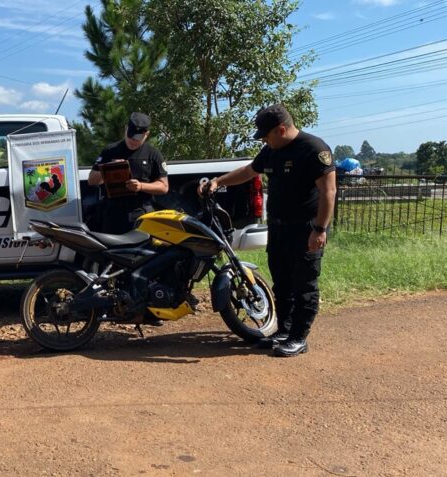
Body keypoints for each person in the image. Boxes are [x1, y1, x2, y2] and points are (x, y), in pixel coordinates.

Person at [200, 104, 336, 357]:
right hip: (278, 228)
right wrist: (218, 182)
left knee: (304, 285)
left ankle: (298, 337)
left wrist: (320, 229)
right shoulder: (271, 151)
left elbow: (329, 191)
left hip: (305, 228)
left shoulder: (314, 149)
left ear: (281, 130)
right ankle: (283, 331)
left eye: (266, 136)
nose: (263, 140)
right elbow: (248, 171)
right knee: (282, 284)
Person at [87, 112, 169, 234]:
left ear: (146, 134)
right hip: (113, 215)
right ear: (126, 129)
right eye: (130, 136)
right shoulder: (110, 151)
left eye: (137, 138)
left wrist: (141, 186)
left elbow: (164, 187)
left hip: (140, 214)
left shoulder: (153, 154)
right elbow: (92, 180)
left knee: (140, 251)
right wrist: (109, 169)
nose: (132, 141)